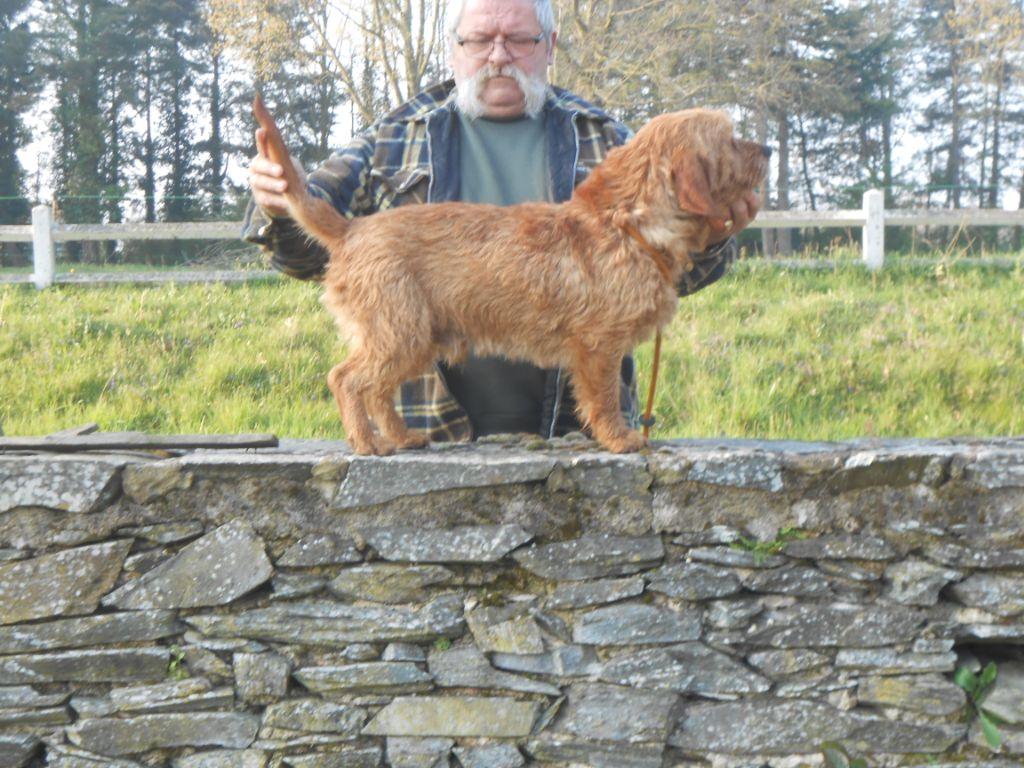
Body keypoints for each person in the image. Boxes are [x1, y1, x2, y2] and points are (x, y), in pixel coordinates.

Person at [243, 0, 760, 444]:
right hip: (441, 435)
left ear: (550, 45)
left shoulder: (610, 139)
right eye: (479, 40)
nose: (498, 55)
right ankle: (376, 419)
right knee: (391, 349)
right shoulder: (393, 137)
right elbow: (311, 249)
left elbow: (660, 281)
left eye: (518, 39)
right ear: (454, 47)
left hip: (569, 439)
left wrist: (711, 238)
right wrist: (275, 202)